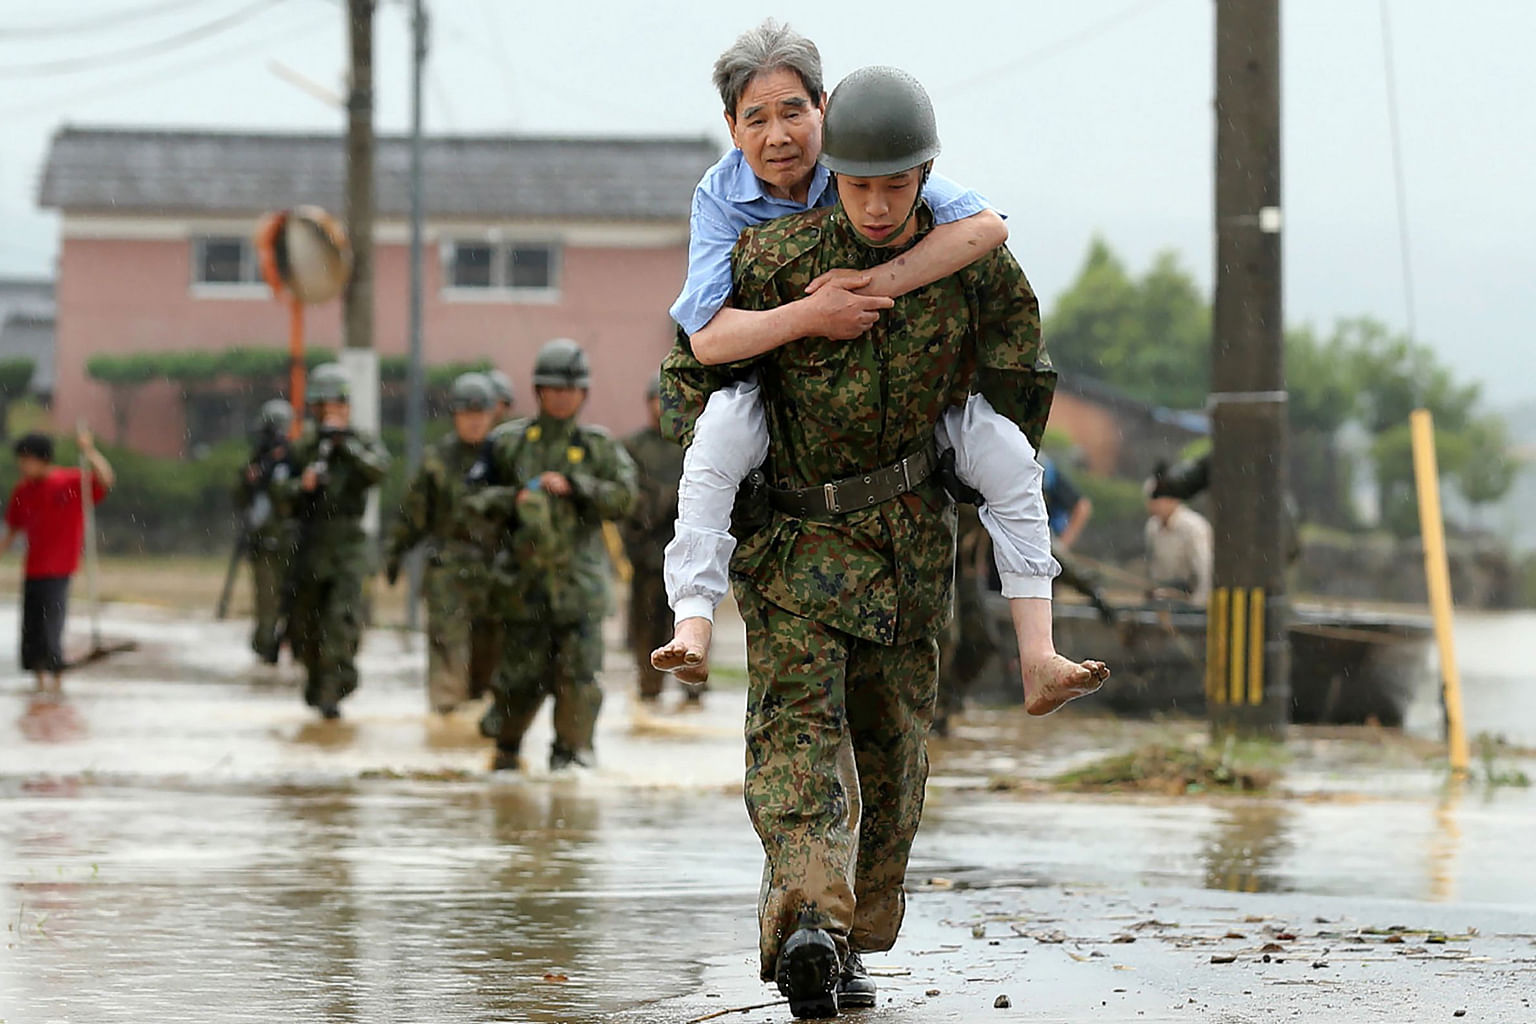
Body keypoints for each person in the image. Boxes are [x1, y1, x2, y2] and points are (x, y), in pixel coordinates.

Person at [660, 67, 1108, 1017]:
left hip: (906, 549)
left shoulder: (969, 266)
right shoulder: (773, 261)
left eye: (894, 185)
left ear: (923, 176)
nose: (873, 203)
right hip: (790, 546)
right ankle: (806, 928)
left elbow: (1019, 363)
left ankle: (855, 930)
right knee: (792, 741)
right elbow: (690, 370)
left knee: (895, 758)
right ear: (838, 174)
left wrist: (964, 447)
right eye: (858, 184)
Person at [650, 18, 1012, 686]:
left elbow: (985, 227)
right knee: (713, 449)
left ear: (824, 109)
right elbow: (705, 336)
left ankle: (1041, 652)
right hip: (778, 398)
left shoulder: (861, 163)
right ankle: (692, 619)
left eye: (794, 111)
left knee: (1013, 464)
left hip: (888, 415)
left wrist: (872, 287)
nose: (779, 136)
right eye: (756, 118)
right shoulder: (721, 197)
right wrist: (812, 316)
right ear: (731, 128)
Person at [470, 339, 637, 771]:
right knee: (518, 680)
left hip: (580, 588)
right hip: (522, 588)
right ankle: (506, 750)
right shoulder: (508, 443)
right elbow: (472, 501)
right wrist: (518, 497)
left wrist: (577, 486)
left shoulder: (598, 446)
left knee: (580, 679)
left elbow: (625, 498)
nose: (562, 397)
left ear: (583, 394)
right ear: (538, 390)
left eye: (571, 389)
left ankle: (572, 756)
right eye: (553, 388)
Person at [385, 372, 504, 714]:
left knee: (491, 650)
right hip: (448, 570)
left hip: (496, 569)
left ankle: (484, 719)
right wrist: (394, 555)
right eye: (466, 414)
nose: (473, 421)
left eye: (480, 414)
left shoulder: (505, 456)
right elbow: (413, 516)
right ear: (455, 415)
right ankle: (447, 721)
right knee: (447, 647)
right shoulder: (437, 461)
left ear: (492, 414)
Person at [277, 363, 390, 719]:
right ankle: (318, 684)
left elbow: (378, 471)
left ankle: (336, 687)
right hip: (311, 545)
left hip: (349, 544)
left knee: (342, 620)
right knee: (306, 626)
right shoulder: (303, 447)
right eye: (323, 408)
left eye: (337, 407)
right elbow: (279, 492)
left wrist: (345, 447)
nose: (331, 414)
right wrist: (302, 484)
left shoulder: (361, 442)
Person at [1, 429, 114, 697]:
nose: (22, 465)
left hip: (59, 569)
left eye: (26, 459)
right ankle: (39, 685)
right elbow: (13, 530)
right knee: (31, 628)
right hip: (33, 570)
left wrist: (90, 452)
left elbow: (106, 480)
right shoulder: (23, 490)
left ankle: (56, 680)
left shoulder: (71, 482)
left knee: (51, 625)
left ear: (42, 459)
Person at [619, 374, 693, 706]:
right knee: (646, 627)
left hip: (687, 555)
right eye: (655, 399)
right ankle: (648, 688)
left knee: (688, 622)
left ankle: (692, 687)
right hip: (648, 554)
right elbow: (630, 500)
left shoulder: (691, 443)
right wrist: (664, 499)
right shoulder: (634, 446)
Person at [237, 399, 296, 664]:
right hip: (263, 541)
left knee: (292, 598)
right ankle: (266, 646)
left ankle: (292, 643)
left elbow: (296, 497)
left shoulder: (293, 457)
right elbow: (242, 497)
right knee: (266, 600)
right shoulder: (258, 458)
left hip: (289, 541)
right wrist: (251, 478)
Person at [1144, 472, 1214, 604]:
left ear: (1174, 499)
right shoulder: (1152, 527)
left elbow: (1205, 571)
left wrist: (1197, 604)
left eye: (1159, 498)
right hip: (1163, 599)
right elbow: (1153, 569)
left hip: (1188, 598)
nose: (1153, 503)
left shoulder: (1194, 527)